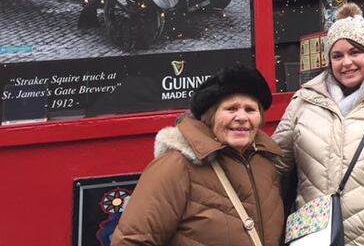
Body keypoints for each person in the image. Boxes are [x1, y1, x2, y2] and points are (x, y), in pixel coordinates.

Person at [272, 3, 364, 246]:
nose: (346, 62)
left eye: (355, 52)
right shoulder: (302, 103)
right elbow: (272, 169)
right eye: (337, 55)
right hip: (311, 239)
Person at [112, 65, 284, 246]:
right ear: (210, 116)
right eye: (231, 109)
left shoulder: (266, 163)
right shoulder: (176, 165)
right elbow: (131, 240)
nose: (242, 117)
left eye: (250, 110)